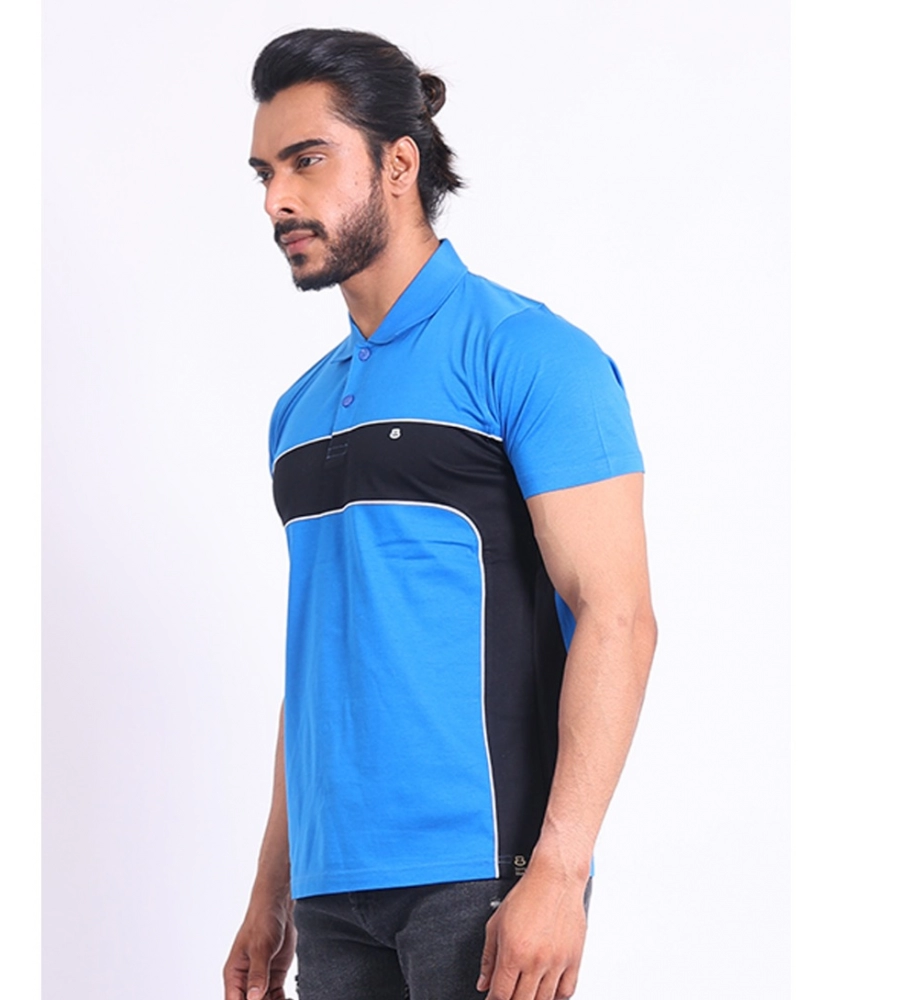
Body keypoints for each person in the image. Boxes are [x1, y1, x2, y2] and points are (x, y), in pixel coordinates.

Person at [223, 27, 657, 1000]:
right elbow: (319, 661)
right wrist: (271, 890)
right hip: (331, 890)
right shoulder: (297, 411)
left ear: (398, 164)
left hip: (482, 874)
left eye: (306, 160)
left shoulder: (529, 353)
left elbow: (619, 617)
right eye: (264, 172)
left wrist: (560, 872)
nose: (277, 199)